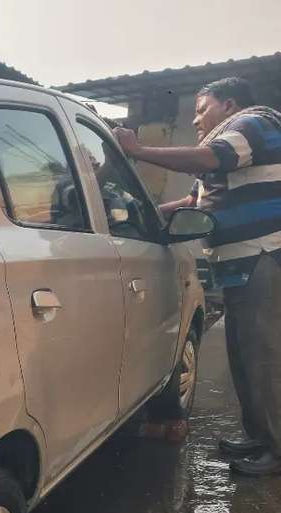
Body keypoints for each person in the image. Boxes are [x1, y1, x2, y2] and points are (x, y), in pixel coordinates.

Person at [114, 77, 281, 477]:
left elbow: (213, 160)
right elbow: (195, 199)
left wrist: (137, 150)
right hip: (242, 262)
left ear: (228, 103)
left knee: (263, 357)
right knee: (245, 355)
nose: (195, 118)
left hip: (263, 256)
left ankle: (275, 450)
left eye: (201, 108)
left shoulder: (253, 123)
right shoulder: (226, 136)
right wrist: (144, 215)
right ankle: (260, 436)